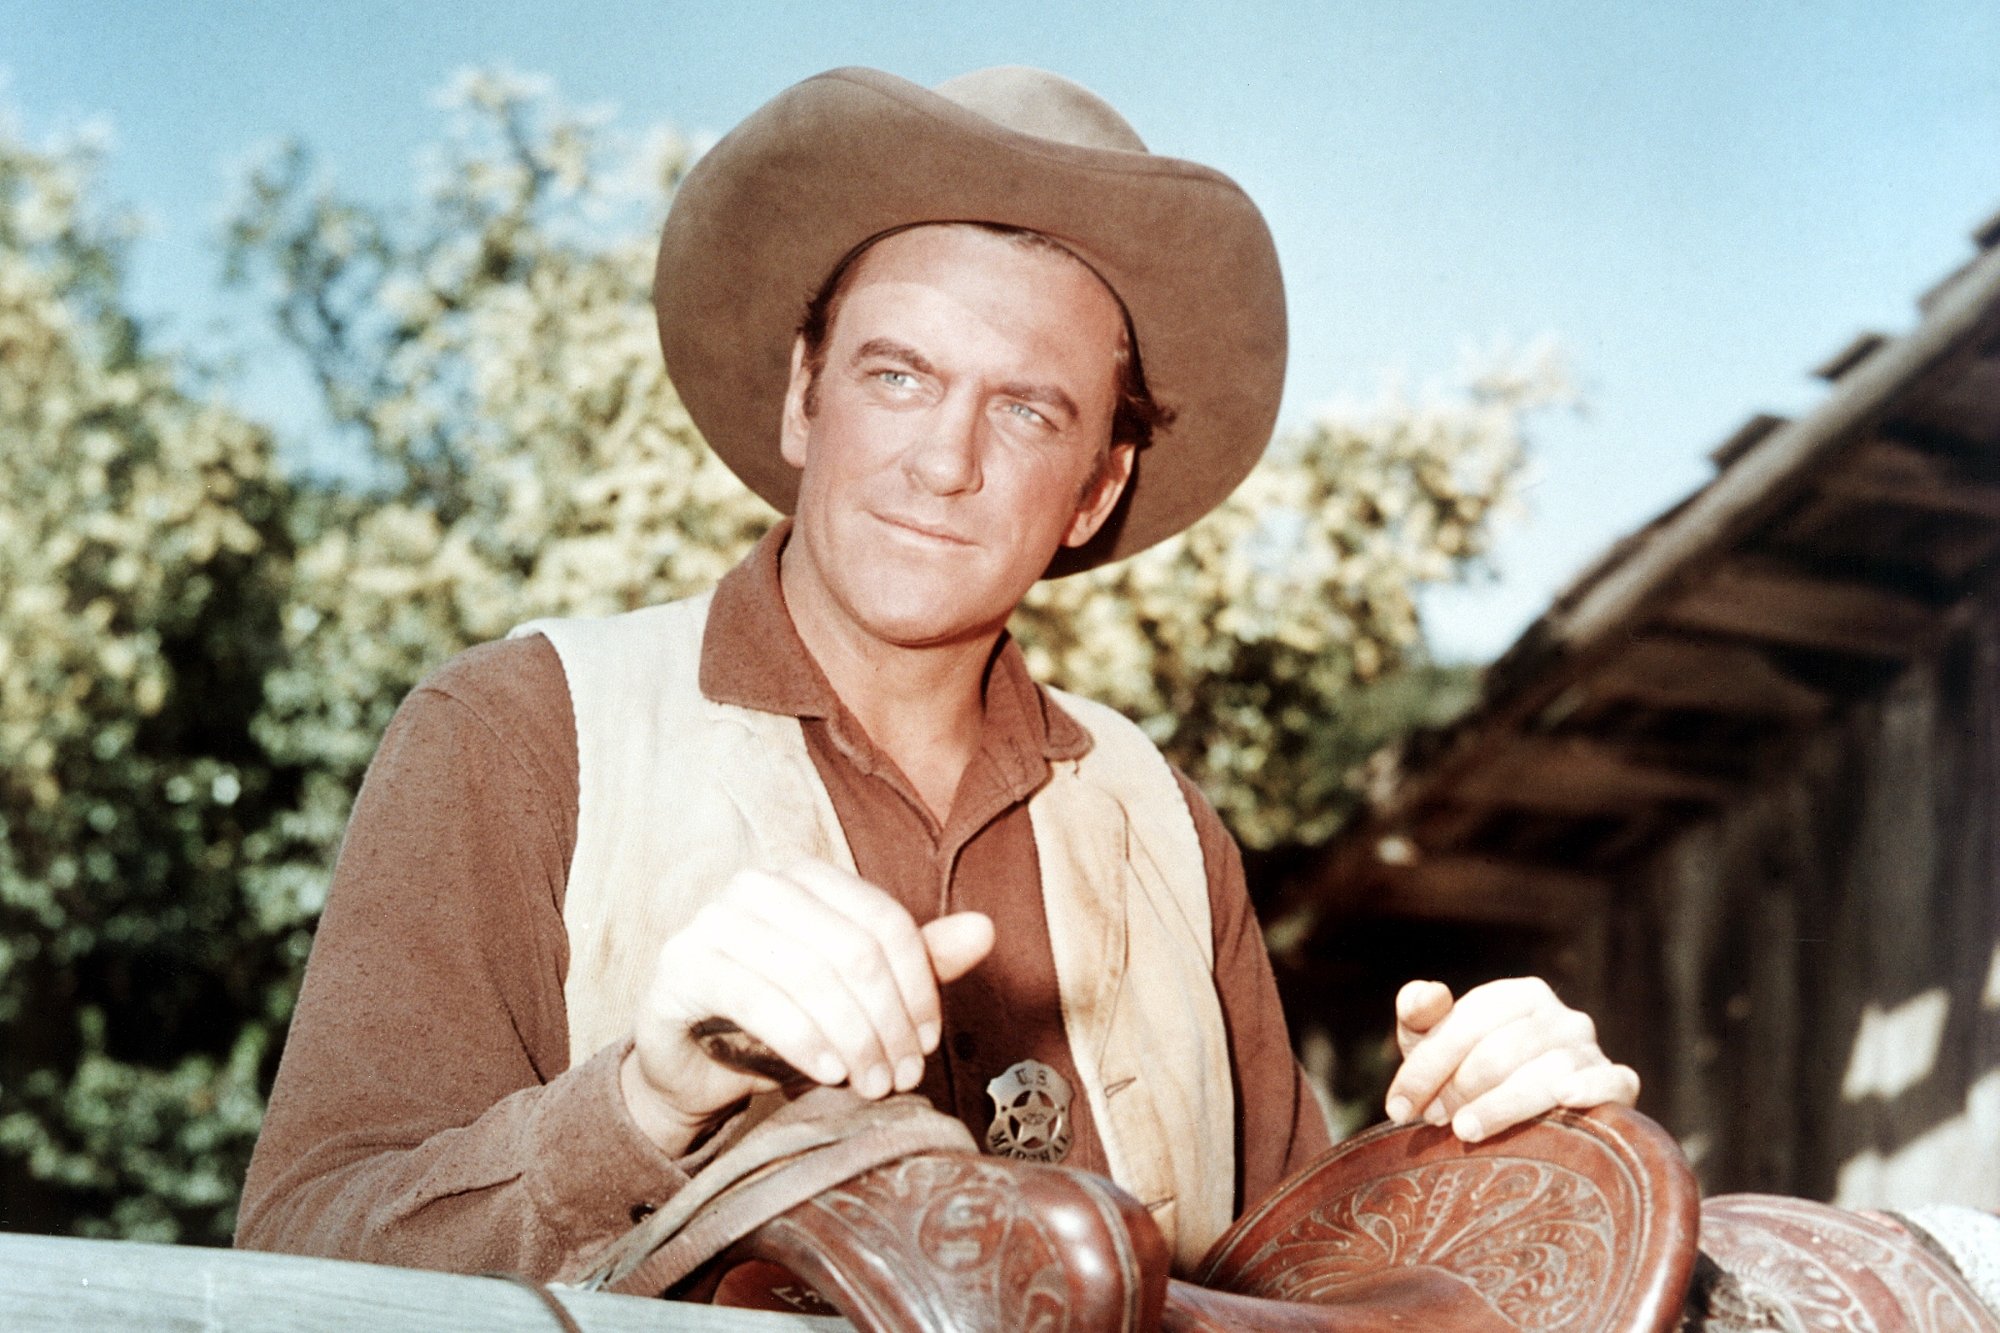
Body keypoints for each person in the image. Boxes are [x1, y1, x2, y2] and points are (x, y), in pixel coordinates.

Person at [236, 65, 1637, 1284]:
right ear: (804, 395)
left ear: (1096, 486)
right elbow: (297, 1260)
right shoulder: (521, 733)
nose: (947, 459)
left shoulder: (1163, 823)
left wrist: (1484, 1158)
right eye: (899, 376)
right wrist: (647, 1103)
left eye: (1027, 409)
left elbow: (1285, 1289)